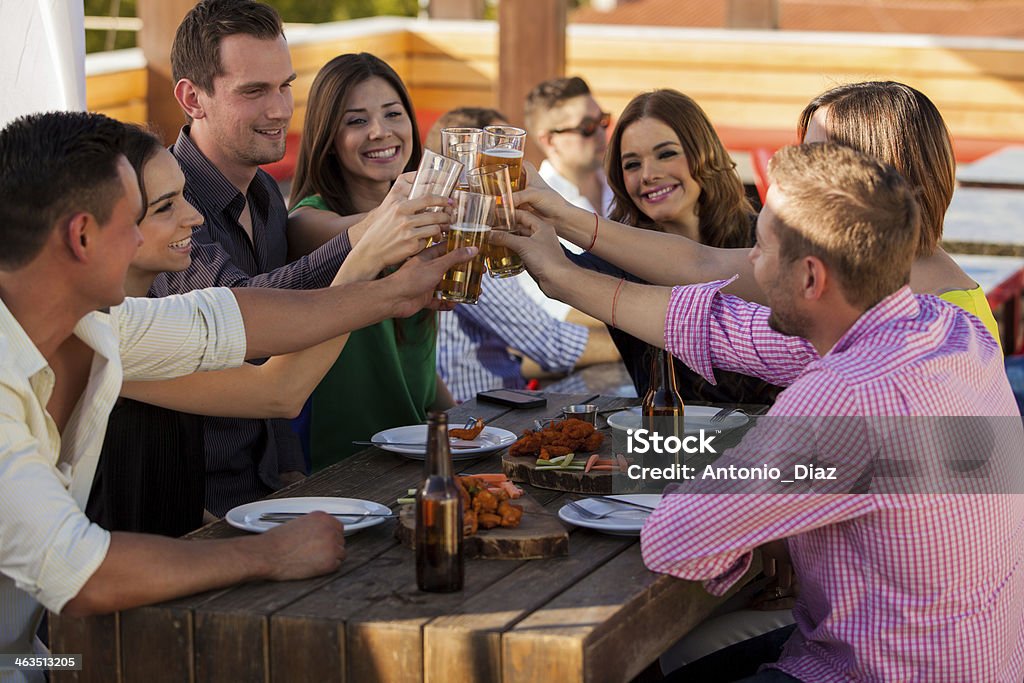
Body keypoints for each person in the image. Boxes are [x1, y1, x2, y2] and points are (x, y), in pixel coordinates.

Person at [497, 142, 1024, 681]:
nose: (748, 259)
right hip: (963, 655)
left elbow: (676, 538)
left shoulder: (841, 398)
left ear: (811, 279)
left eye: (762, 246)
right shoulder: (948, 326)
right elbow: (724, 328)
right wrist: (559, 275)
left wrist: (742, 486)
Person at [0, 110, 474, 667]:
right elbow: (80, 574)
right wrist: (269, 554)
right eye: (137, 218)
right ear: (81, 235)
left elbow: (230, 316)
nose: (192, 221)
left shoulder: (97, 323)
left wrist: (397, 293)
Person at [158, 0, 449, 514]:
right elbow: (244, 316)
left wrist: (289, 468)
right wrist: (364, 245)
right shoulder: (167, 206)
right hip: (196, 507)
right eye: (254, 91)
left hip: (274, 489)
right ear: (191, 98)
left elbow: (279, 365)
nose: (279, 110)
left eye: (285, 86)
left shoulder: (267, 194)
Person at [86, 124, 400, 536]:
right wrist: (368, 260)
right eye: (165, 206)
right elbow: (278, 389)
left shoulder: (143, 317)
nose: (194, 216)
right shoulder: (102, 332)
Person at [514, 81, 1001, 342]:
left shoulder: (915, 324)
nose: (792, 173)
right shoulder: (886, 277)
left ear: (880, 173)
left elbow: (712, 319)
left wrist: (559, 267)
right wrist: (559, 217)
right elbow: (701, 267)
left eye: (815, 157)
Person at [286, 52, 453, 467]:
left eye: (393, 114)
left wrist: (469, 421)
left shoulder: (424, 221)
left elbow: (413, 362)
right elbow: (352, 235)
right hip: (345, 467)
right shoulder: (307, 221)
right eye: (356, 121)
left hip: (417, 450)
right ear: (328, 136)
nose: (381, 132)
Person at [558, 89, 778, 403]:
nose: (648, 175)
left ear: (703, 153)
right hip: (668, 444)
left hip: (776, 439)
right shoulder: (616, 257)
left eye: (666, 154)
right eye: (632, 164)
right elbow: (555, 274)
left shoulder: (767, 237)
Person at [424, 107, 619, 402]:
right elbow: (551, 345)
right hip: (476, 415)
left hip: (496, 403)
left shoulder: (468, 229)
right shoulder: (465, 239)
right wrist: (637, 340)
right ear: (474, 163)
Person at [524, 76, 613, 221]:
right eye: (587, 127)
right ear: (550, 141)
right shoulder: (537, 208)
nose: (601, 133)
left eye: (603, 120)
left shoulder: (622, 184)